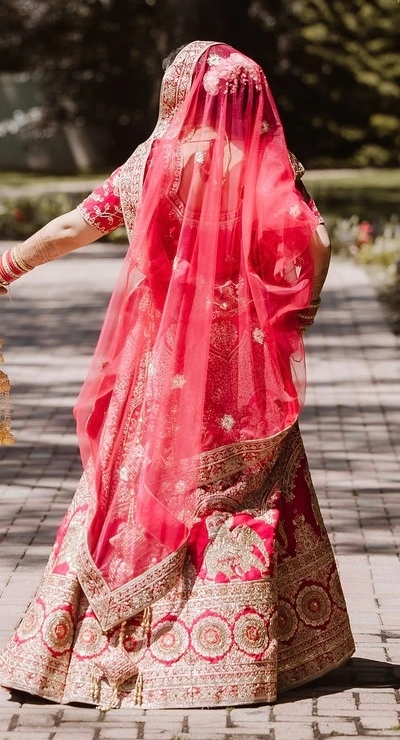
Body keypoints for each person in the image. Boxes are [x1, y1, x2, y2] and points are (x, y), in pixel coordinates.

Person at [0, 41, 354, 710]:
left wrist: (10, 266)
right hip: (240, 368)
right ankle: (234, 648)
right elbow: (317, 240)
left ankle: (83, 644)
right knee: (241, 492)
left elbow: (80, 223)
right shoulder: (263, 165)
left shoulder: (153, 160)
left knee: (132, 486)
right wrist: (299, 309)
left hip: (159, 366)